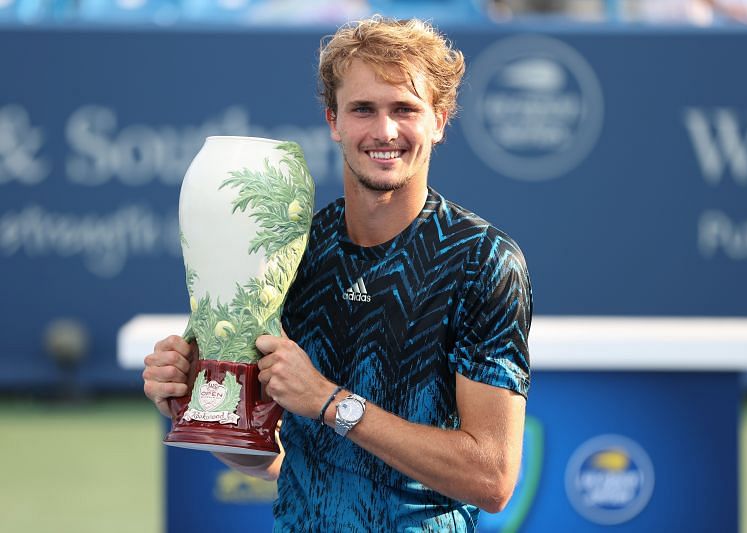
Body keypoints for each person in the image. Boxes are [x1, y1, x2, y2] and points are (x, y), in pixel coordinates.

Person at [143, 16, 533, 531]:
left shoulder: (483, 261)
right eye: (363, 109)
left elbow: (493, 479)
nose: (384, 131)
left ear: (439, 121)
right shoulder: (290, 252)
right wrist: (200, 405)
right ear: (333, 120)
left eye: (405, 110)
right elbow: (277, 462)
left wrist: (332, 403)